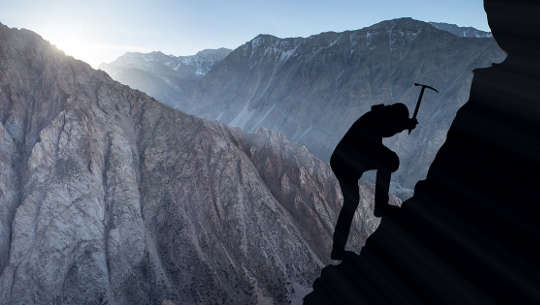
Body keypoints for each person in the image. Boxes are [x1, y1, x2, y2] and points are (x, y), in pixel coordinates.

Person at [330, 103, 417, 260]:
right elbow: (386, 130)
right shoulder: (376, 121)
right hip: (346, 162)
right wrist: (405, 125)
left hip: (346, 161)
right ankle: (380, 206)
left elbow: (387, 129)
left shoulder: (377, 117)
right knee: (390, 161)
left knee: (351, 203)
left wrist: (404, 124)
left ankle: (338, 249)